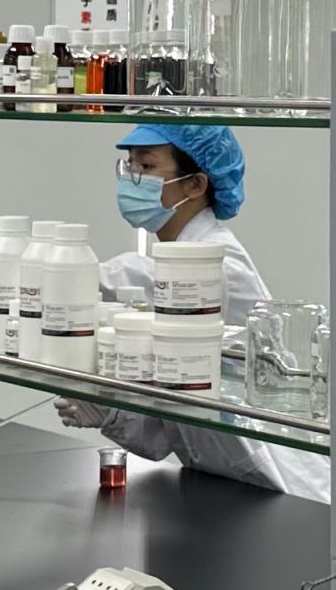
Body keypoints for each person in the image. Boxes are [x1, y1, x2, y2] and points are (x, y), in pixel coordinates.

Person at [56, 124, 330, 503]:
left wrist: (14, 263)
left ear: (195, 185)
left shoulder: (217, 264)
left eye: (146, 166)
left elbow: (113, 278)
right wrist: (112, 413)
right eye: (128, 165)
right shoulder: (175, 256)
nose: (131, 178)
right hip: (222, 483)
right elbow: (167, 431)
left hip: (289, 488)